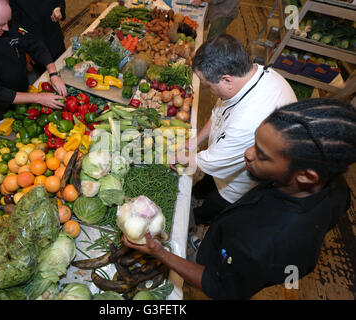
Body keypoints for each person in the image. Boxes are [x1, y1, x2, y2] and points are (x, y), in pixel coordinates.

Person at [125, 98, 356, 300]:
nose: (248, 153)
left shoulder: (262, 245)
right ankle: (206, 247)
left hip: (231, 265)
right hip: (234, 247)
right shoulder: (333, 184)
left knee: (211, 261)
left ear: (305, 176)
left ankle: (202, 253)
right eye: (255, 142)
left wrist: (160, 253)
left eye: (262, 155)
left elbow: (219, 286)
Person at [189, 34, 296, 226]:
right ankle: (199, 192)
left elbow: (210, 161)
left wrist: (175, 158)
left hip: (236, 187)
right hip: (222, 162)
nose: (206, 89)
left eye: (207, 85)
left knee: (209, 210)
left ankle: (196, 223)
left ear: (226, 80)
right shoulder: (252, 73)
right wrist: (194, 141)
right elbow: (218, 114)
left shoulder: (248, 120)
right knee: (205, 185)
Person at [10, 0, 66, 76]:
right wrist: (23, 52)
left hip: (55, 37)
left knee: (66, 69)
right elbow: (14, 24)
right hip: (34, 46)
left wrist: (59, 7)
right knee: (48, 79)